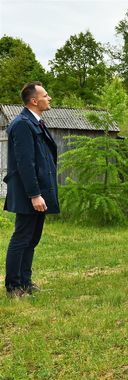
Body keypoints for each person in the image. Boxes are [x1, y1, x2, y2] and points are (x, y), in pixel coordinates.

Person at [4, 81, 58, 297]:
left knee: (32, 238)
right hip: (29, 193)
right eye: (46, 95)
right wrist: (35, 195)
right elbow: (26, 163)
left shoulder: (36, 122)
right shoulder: (22, 124)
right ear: (34, 101)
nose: (49, 98)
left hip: (39, 192)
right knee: (22, 237)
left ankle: (25, 281)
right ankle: (13, 286)